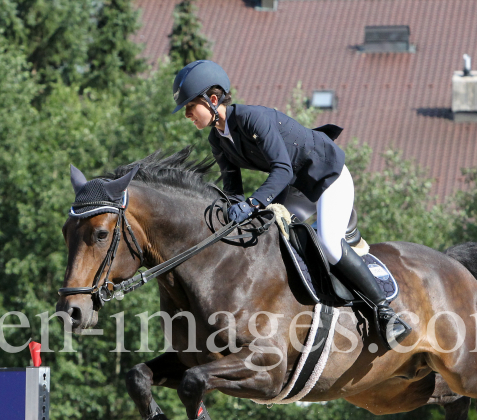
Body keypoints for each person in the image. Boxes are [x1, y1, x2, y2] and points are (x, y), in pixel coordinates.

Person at [172, 60, 411, 349]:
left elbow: (282, 169)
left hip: (326, 176)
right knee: (272, 237)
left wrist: (252, 203)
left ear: (212, 100)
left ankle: (387, 313)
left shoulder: (251, 119)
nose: (187, 114)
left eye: (189, 106)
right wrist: (231, 211)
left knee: (329, 244)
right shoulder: (218, 139)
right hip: (297, 186)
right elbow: (232, 186)